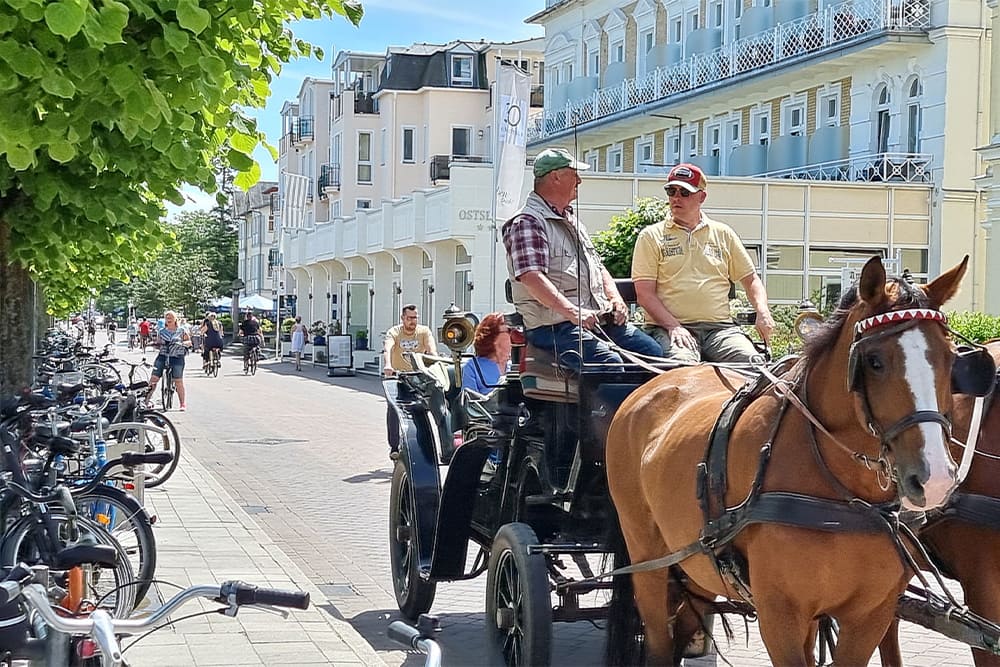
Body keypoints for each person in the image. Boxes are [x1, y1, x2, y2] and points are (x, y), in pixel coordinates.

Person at [502, 147, 661, 370]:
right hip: (553, 326)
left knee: (654, 355)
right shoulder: (528, 222)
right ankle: (618, 406)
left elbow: (598, 266)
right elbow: (531, 278)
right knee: (610, 366)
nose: (579, 180)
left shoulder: (571, 220)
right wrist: (573, 312)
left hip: (595, 320)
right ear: (555, 177)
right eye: (573, 173)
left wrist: (616, 300)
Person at [631, 163, 775, 364]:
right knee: (683, 367)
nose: (676, 197)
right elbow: (645, 294)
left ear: (702, 197)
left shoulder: (723, 233)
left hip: (720, 329)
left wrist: (763, 312)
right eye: (671, 191)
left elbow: (751, 280)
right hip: (669, 327)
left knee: (754, 365)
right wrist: (674, 326)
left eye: (684, 192)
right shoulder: (651, 236)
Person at [383, 304, 437, 459]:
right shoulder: (394, 332)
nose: (413, 321)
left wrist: (434, 360)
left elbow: (431, 349)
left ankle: (425, 445)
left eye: (415, 317)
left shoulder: (424, 331)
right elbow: (388, 348)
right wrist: (388, 365)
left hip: (418, 377)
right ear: (403, 318)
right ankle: (394, 446)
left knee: (425, 406)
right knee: (393, 409)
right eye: (410, 318)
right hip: (398, 377)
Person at [145, 311, 192, 411]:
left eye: (170, 317)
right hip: (163, 355)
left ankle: (182, 403)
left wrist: (183, 344)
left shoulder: (181, 330)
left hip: (177, 356)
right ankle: (146, 400)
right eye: (167, 317)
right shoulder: (161, 331)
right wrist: (154, 343)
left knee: (178, 380)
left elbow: (189, 342)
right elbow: (158, 342)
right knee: (154, 378)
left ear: (175, 319)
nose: (168, 319)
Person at [461, 313, 511, 395]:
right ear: (493, 337)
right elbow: (469, 402)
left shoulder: (516, 367)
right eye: (509, 331)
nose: (514, 335)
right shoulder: (473, 367)